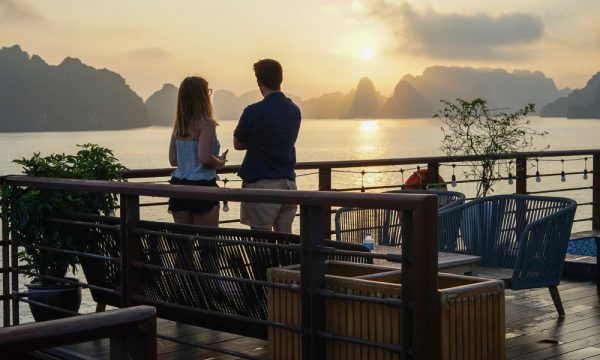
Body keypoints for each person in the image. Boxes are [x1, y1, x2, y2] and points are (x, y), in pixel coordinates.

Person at [233, 59, 301, 233]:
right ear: (280, 79)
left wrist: (256, 142)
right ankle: (289, 262)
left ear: (259, 81)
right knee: (286, 237)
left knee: (262, 242)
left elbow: (237, 143)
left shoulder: (254, 111)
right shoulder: (294, 110)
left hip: (261, 185)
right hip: (288, 184)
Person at [168, 76, 227, 226]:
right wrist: (219, 162)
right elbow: (205, 159)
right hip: (202, 187)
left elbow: (173, 160)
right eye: (207, 91)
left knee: (183, 243)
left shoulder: (179, 125)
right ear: (202, 96)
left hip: (178, 187)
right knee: (207, 243)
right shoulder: (206, 123)